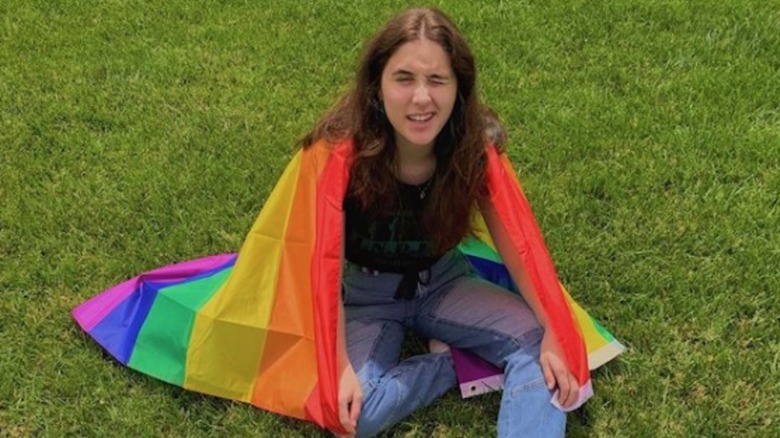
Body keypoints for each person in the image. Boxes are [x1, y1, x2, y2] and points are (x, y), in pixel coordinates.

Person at [298, 7, 580, 437]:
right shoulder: (339, 153)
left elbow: (518, 245)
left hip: (446, 282)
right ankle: (453, 362)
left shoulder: (474, 147)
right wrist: (337, 367)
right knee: (356, 416)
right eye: (404, 78)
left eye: (437, 80)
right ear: (377, 85)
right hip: (368, 299)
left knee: (543, 354)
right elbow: (322, 263)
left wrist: (554, 329)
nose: (421, 99)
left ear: (458, 89)